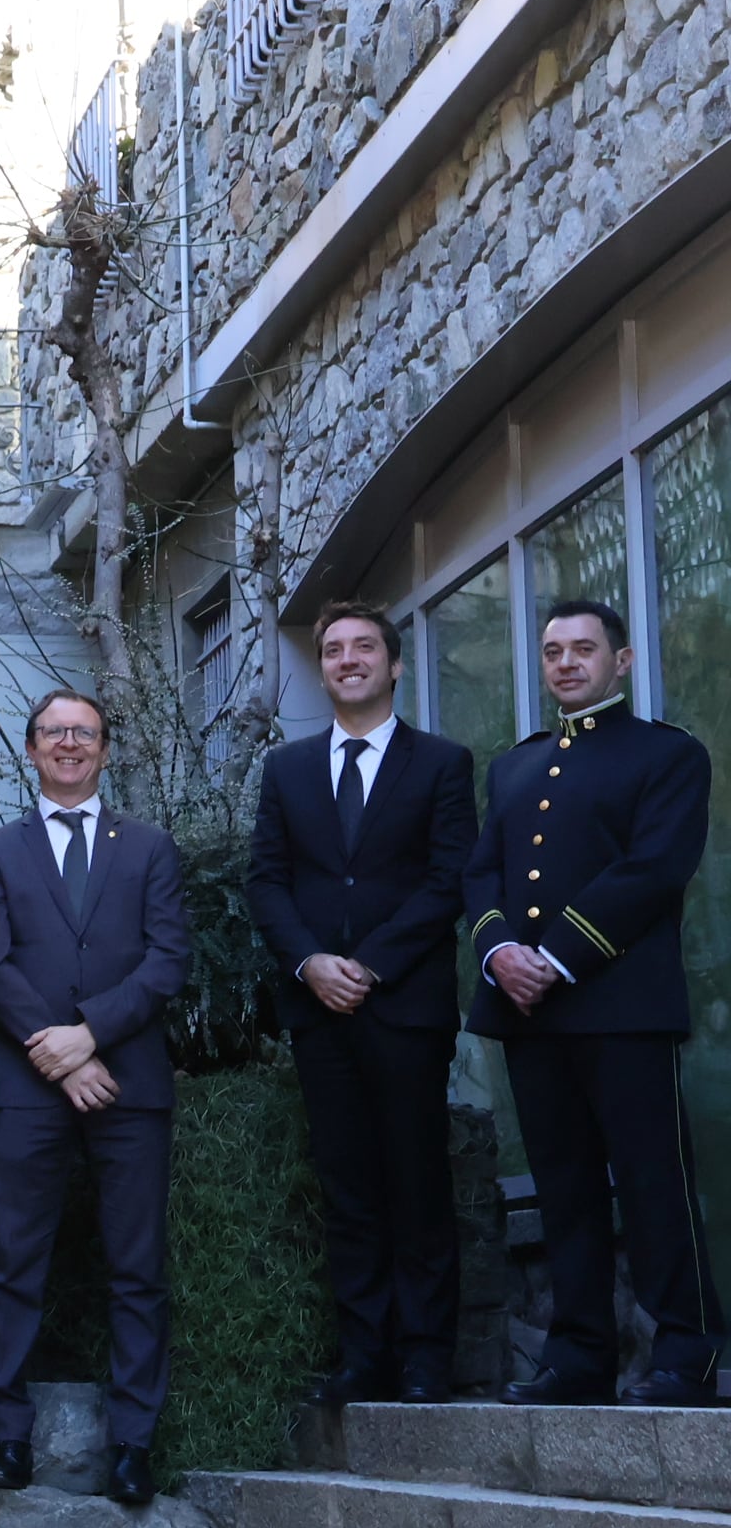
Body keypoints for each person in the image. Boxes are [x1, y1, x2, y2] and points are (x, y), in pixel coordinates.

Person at [466, 600, 725, 1407]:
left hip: (620, 1004)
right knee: (565, 1188)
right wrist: (499, 949)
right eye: (553, 652)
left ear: (622, 660)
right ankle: (578, 1357)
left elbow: (654, 869)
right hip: (527, 1012)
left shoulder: (666, 755)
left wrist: (556, 955)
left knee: (654, 1184)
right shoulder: (512, 766)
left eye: (584, 649)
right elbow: (481, 876)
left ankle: (688, 1352)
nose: (567, 663)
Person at [246, 602, 477, 1410]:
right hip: (318, 1010)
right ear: (323, 667)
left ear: (394, 664)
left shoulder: (443, 763)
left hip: (403, 1006)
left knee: (415, 1183)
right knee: (346, 1188)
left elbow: (449, 880)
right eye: (334, 650)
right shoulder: (288, 769)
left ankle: (423, 1357)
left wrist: (367, 966)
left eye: (364, 648)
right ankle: (363, 1356)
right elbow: (266, 882)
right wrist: (311, 963)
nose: (348, 660)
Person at [0, 688, 189, 1506]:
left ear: (104, 750)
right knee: (13, 1263)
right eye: (54, 733)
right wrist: (59, 1057)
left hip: (130, 1087)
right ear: (30, 750)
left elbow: (168, 960)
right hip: (30, 1091)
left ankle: (132, 1445)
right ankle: (6, 1441)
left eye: (83, 734)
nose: (69, 745)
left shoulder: (151, 848)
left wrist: (89, 1034)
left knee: (136, 1271)